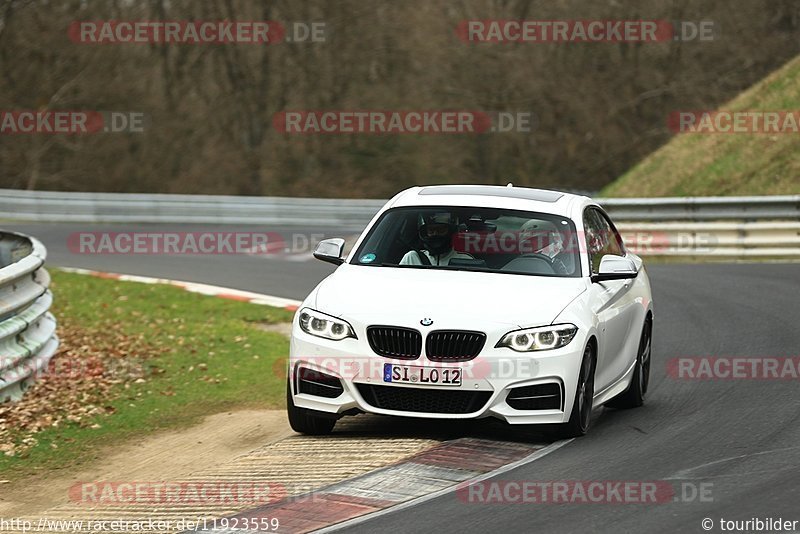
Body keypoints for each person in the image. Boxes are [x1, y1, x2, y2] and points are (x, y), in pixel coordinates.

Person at [400, 214, 473, 266]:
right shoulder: (411, 258)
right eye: (431, 230)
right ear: (425, 232)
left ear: (451, 232)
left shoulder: (466, 260)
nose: (435, 234)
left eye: (441, 230)